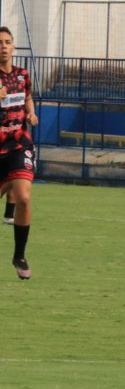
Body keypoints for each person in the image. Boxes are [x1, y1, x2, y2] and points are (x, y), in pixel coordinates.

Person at [0, 26, 38, 279]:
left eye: (7, 42)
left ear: (14, 46)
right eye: (0, 42)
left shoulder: (22, 74)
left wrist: (31, 112)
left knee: (23, 197)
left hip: (19, 143)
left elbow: (27, 97)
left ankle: (19, 255)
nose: (3, 46)